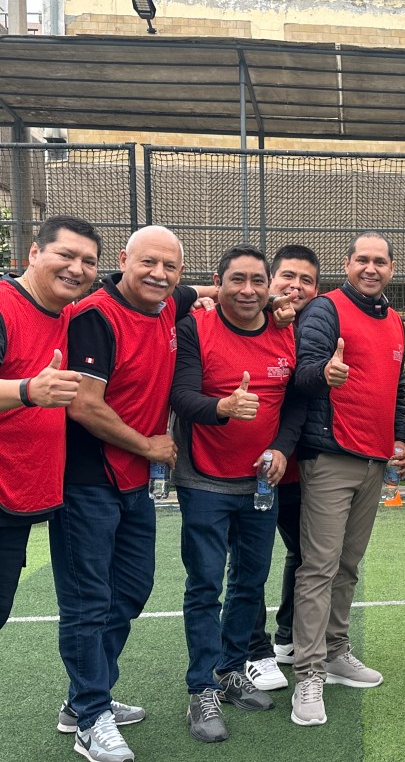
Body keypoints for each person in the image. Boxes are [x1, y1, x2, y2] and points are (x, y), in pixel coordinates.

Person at [51, 225, 206, 762]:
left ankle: (83, 698)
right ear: (124, 260)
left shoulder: (169, 302)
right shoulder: (94, 316)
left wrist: (271, 301)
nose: (159, 274)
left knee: (133, 589)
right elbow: (83, 406)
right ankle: (91, 715)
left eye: (170, 266)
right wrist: (149, 445)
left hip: (134, 482)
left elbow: (204, 291)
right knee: (87, 601)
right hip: (86, 481)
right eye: (148, 263)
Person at [170, 245, 303, 742]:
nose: (247, 290)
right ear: (218, 281)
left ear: (269, 286)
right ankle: (200, 688)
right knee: (205, 584)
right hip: (204, 478)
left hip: (260, 483)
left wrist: (282, 448)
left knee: (250, 581)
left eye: (257, 281)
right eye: (237, 280)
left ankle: (230, 670)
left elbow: (294, 404)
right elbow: (180, 395)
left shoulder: (285, 328)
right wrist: (222, 408)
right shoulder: (195, 327)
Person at [289, 231, 405, 726]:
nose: (370, 268)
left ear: (391, 269)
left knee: (348, 566)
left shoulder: (396, 320)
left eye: (379, 261)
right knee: (319, 567)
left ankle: (336, 652)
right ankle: (309, 673)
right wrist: (325, 373)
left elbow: (396, 389)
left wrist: (400, 437)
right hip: (330, 455)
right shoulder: (325, 309)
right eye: (362, 259)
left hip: (375, 461)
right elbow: (301, 373)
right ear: (347, 264)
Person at [0, 216, 100, 629]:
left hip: (16, 498)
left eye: (88, 261)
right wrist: (28, 390)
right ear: (34, 253)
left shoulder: (62, 312)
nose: (77, 268)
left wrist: (208, 295)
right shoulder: (4, 305)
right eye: (66, 255)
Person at [243, 244, 320, 694]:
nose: (296, 286)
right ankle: (253, 648)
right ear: (271, 282)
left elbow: (298, 402)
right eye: (287, 276)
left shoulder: (312, 331)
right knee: (249, 562)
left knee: (306, 554)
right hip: (244, 469)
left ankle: (288, 636)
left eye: (306, 280)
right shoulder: (244, 320)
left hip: (294, 468)